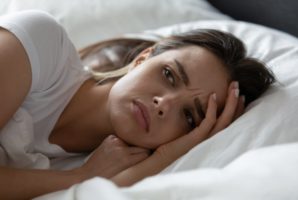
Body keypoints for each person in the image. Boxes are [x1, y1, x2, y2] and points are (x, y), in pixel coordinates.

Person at [0, 10, 275, 199]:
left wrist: (167, 156)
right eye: (169, 75)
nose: (163, 104)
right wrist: (80, 177)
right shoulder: (40, 46)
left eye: (190, 117)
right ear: (142, 58)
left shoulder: (114, 164)